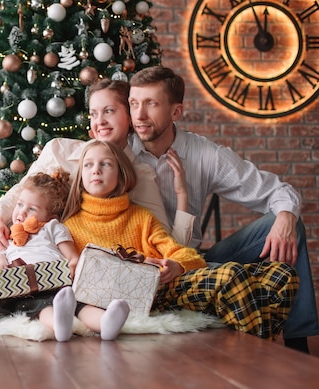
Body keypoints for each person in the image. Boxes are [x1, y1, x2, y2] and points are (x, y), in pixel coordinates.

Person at [127, 65, 319, 352]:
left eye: (151, 103)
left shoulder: (205, 154)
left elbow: (280, 191)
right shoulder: (120, 154)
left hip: (192, 261)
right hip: (146, 265)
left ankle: (298, 343)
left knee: (286, 220)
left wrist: (286, 218)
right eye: (133, 104)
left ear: (176, 112)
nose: (139, 115)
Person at [61, 140, 299, 340]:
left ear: (121, 173)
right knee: (230, 276)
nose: (96, 170)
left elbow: (183, 254)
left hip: (164, 286)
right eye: (89, 165)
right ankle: (259, 362)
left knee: (282, 276)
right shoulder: (70, 226)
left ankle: (257, 346)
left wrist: (175, 265)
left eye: (105, 163)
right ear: (80, 175)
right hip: (139, 301)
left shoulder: (140, 217)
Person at [0, 79, 194, 254]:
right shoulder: (59, 150)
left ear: (130, 118)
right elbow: (20, 194)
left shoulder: (140, 174)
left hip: (71, 264)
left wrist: (182, 195)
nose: (99, 121)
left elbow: (166, 243)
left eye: (109, 111)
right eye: (94, 114)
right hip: (21, 249)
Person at [0, 170, 130, 342]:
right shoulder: (7, 238)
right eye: (20, 205)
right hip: (26, 288)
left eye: (32, 209)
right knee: (41, 305)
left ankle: (106, 322)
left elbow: (72, 256)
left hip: (57, 281)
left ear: (50, 216)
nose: (22, 213)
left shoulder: (52, 227)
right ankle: (60, 326)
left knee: (80, 304)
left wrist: (73, 266)